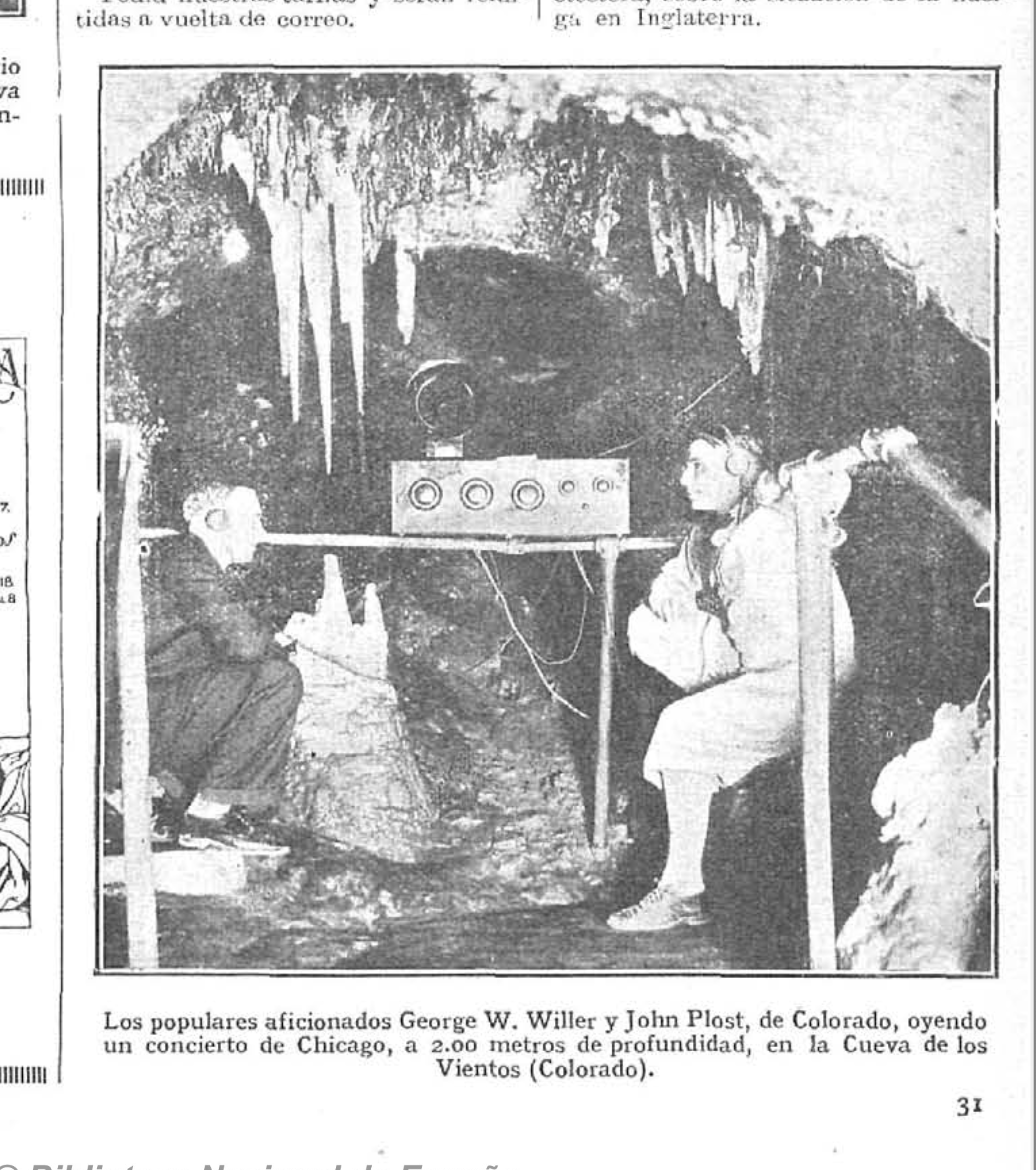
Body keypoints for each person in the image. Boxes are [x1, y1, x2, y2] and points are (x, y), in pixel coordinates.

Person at [607, 430, 855, 931]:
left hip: (802, 685)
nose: (683, 478)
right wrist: (673, 594)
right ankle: (687, 879)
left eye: (699, 465)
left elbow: (763, 649)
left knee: (680, 725)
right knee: (645, 626)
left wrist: (697, 635)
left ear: (740, 467)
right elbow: (682, 570)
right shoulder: (730, 526)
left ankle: (681, 890)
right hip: (784, 671)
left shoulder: (761, 533)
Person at [143, 483, 302, 838]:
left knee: (269, 674)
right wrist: (286, 639)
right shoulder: (184, 560)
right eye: (254, 521)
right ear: (216, 520)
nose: (262, 533)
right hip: (145, 712)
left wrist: (273, 637)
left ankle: (192, 806)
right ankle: (209, 810)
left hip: (162, 703)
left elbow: (236, 633)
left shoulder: (196, 562)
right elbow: (244, 644)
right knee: (279, 680)